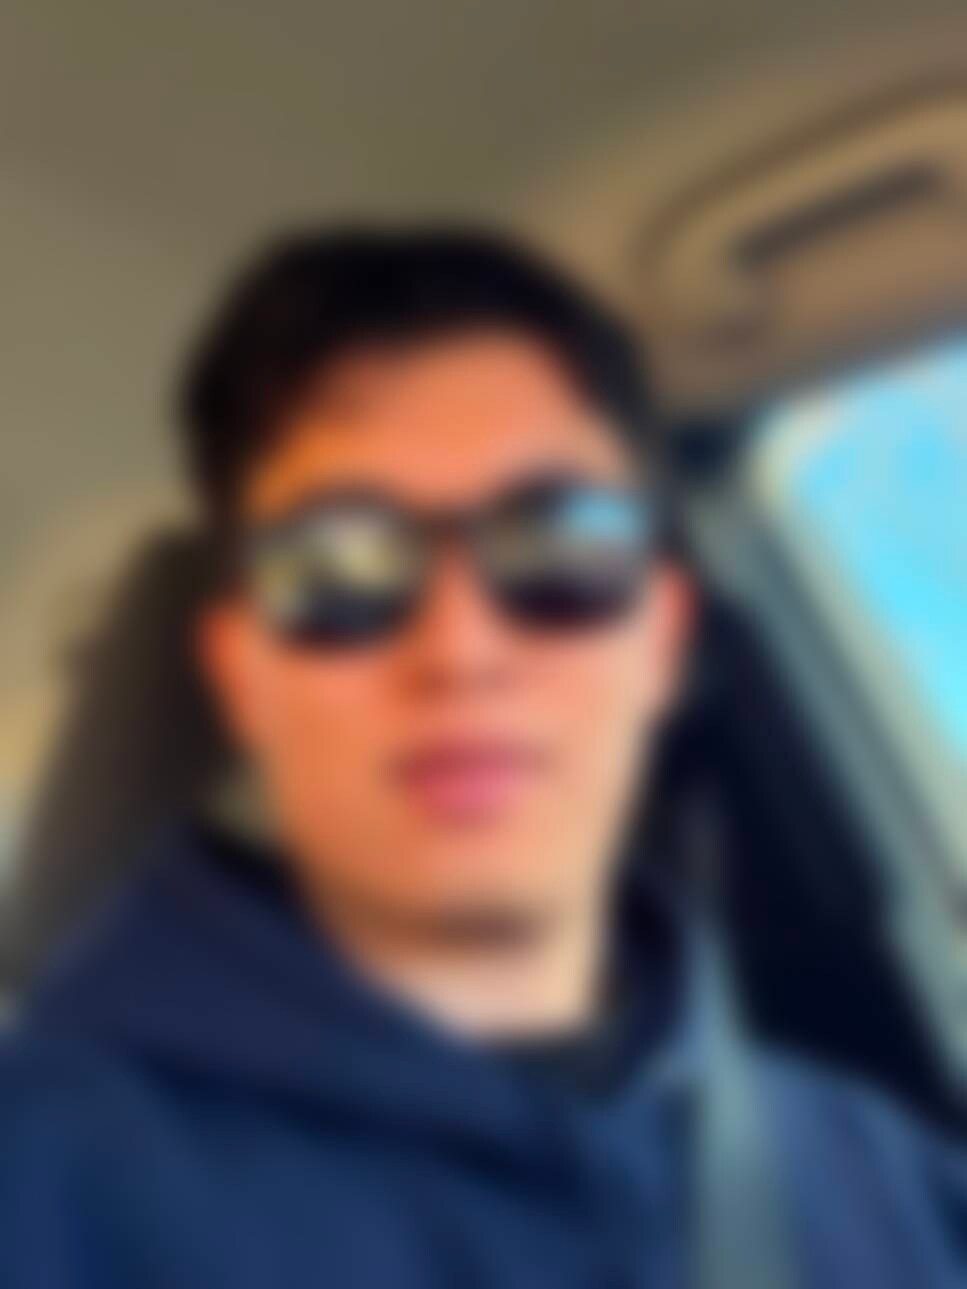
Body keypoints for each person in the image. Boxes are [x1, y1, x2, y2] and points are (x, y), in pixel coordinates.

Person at [0, 227, 963, 1289]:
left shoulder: (899, 1190)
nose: (460, 651)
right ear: (239, 672)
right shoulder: (40, 1187)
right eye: (337, 566)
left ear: (661, 636)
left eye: (558, 544)